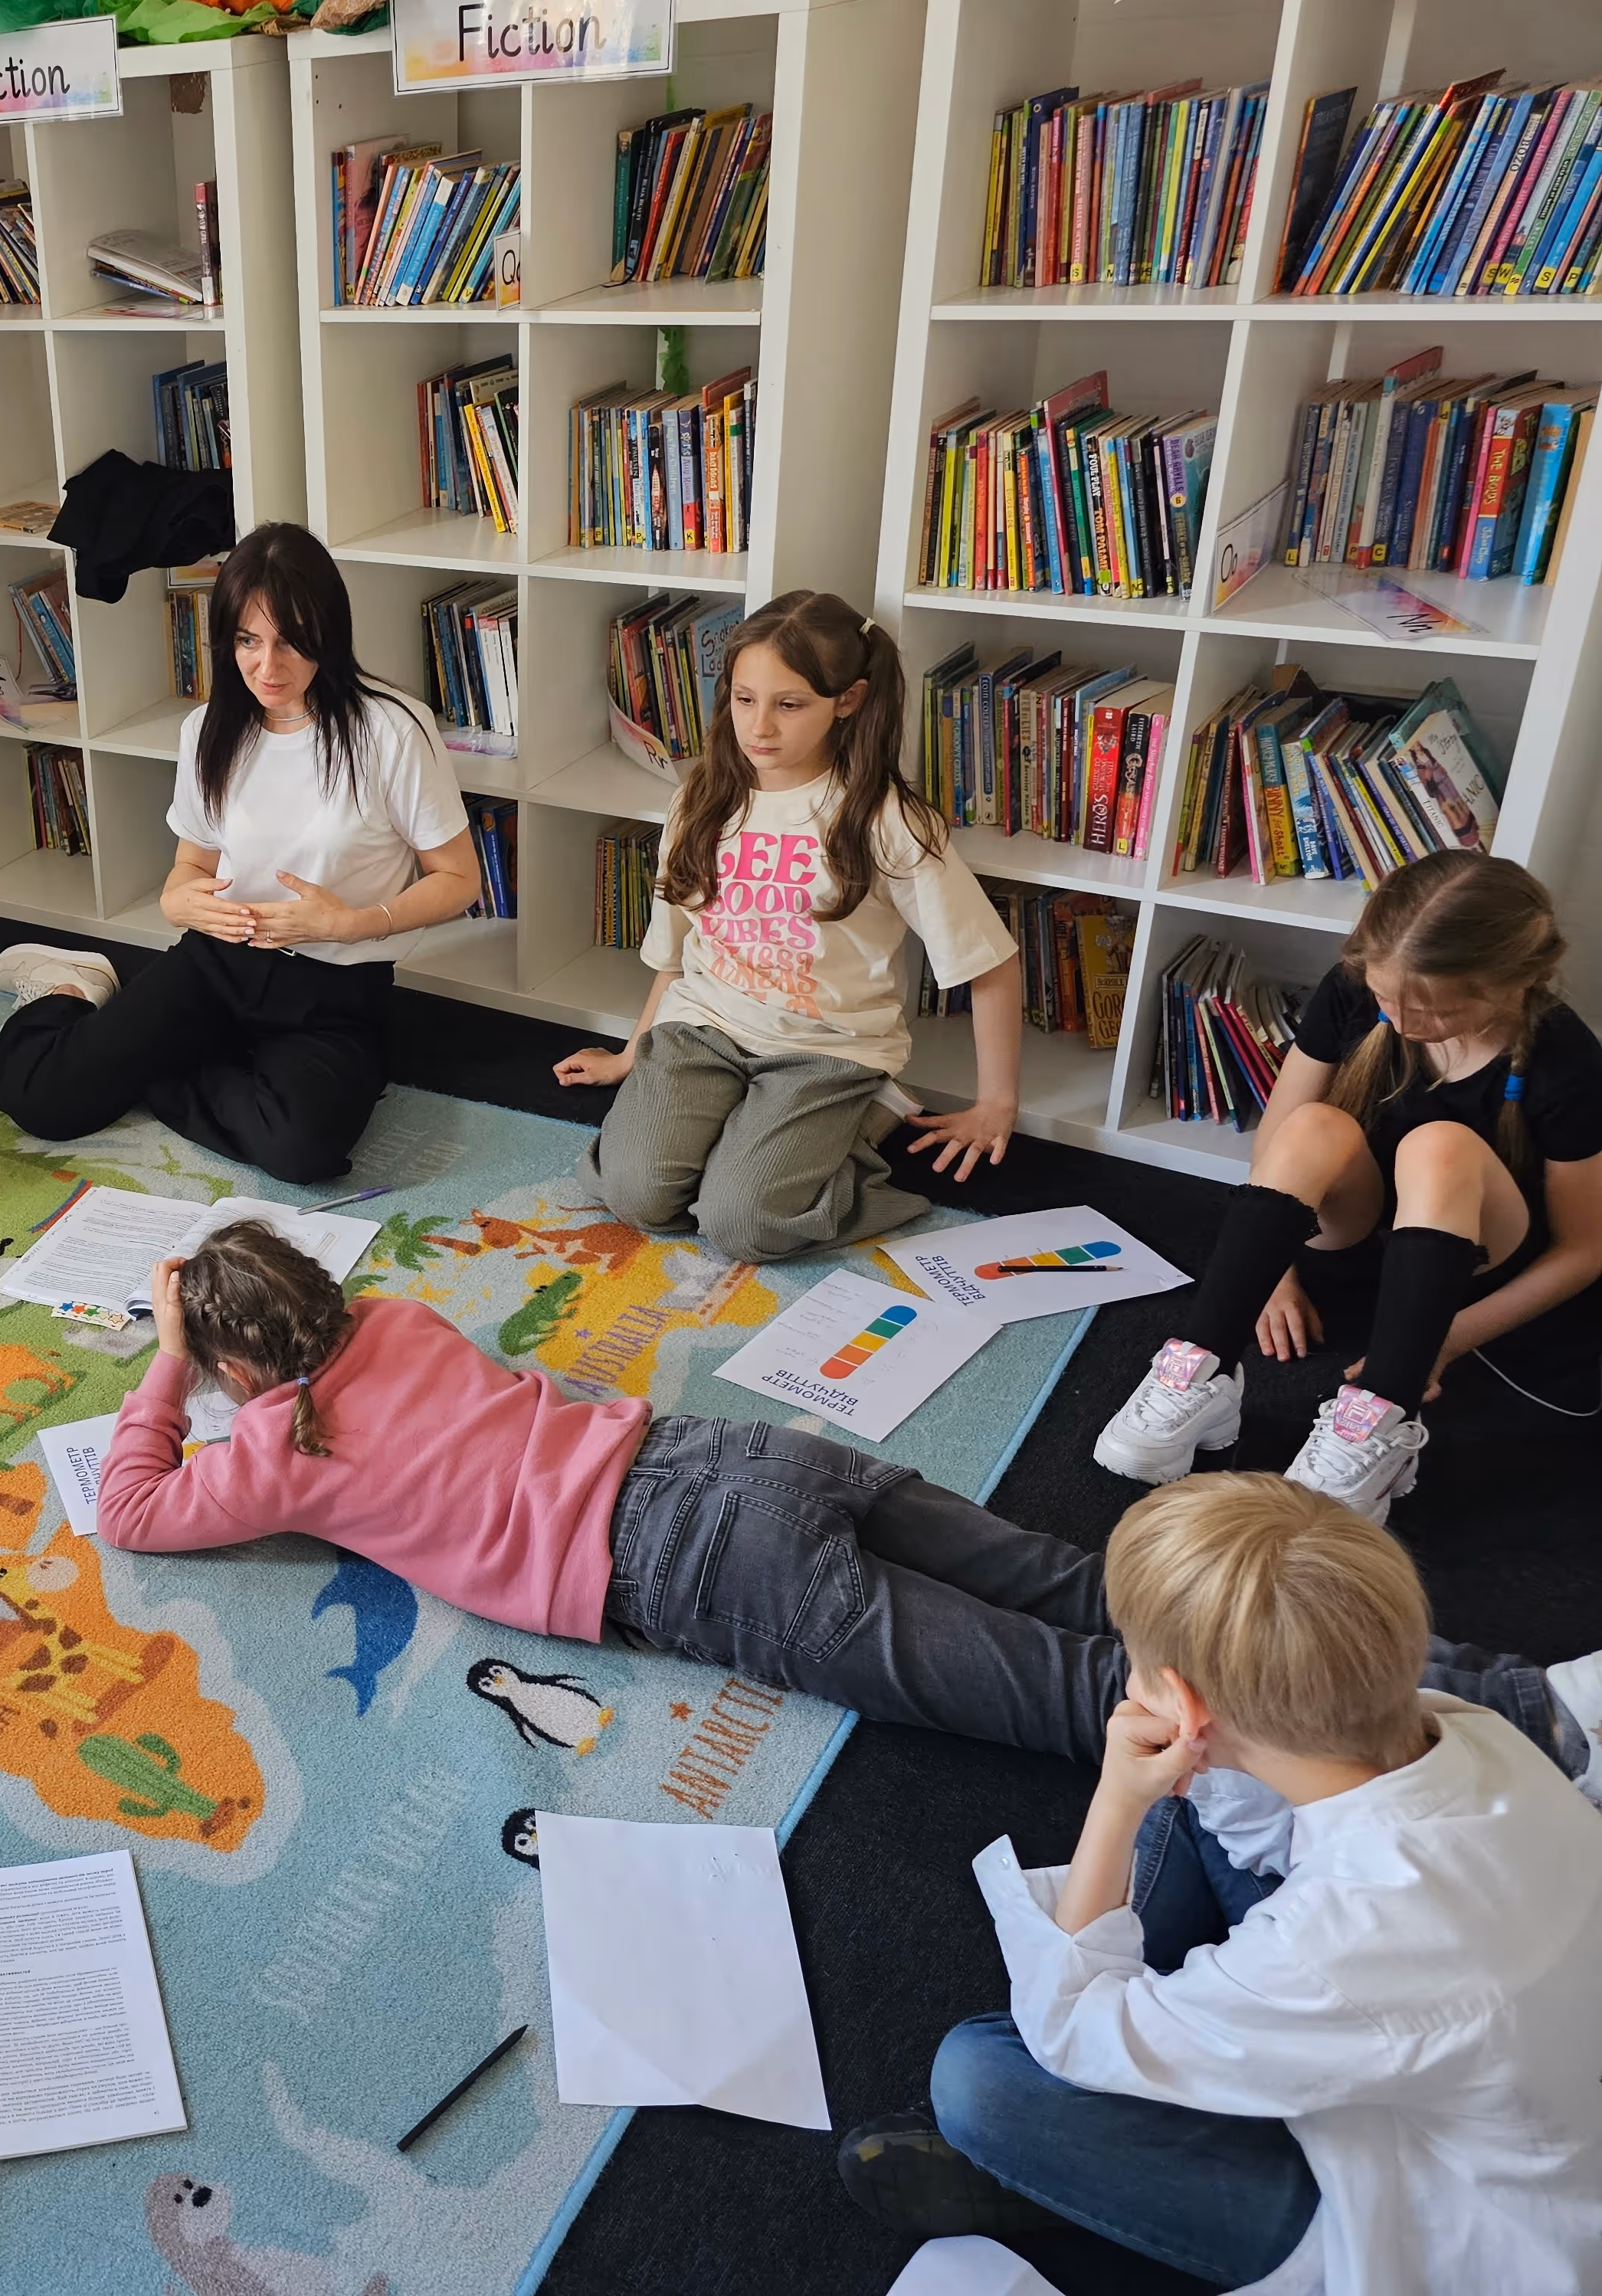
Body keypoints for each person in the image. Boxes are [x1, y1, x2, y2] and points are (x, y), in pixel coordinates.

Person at [93, 1221, 1598, 1780]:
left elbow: (133, 1508)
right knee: (1098, 1592)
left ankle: (1497, 1728)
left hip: (702, 1572)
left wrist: (166, 1367)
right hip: (742, 1458)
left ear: (235, 1360)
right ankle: (1500, 1680)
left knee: (1097, 1696)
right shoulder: (401, 1324)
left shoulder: (273, 1457)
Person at [837, 1475, 1602, 2292]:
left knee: (979, 2080)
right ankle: (1152, 2087)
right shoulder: (1461, 1725)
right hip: (1469, 2055)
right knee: (1199, 1809)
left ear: (1186, 1705)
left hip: (1431, 2216)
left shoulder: (1340, 1945)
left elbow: (1068, 2033)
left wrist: (1114, 1800)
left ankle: (1090, 2183)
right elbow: (1266, 1834)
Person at [1096, 848, 1602, 1520]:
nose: (1400, 1021)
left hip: (1469, 1265)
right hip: (1357, 1237)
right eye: (1387, 997)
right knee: (1311, 1123)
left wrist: (1447, 1339)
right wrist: (1275, 1279)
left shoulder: (1567, 1063)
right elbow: (1281, 1141)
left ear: (1514, 984)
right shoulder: (1357, 990)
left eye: (1433, 1012)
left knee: (1440, 1146)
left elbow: (1584, 1249)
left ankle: (1380, 1421)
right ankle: (1203, 1366)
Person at [0, 522, 480, 1185]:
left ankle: (163, 1065)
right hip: (218, 968)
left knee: (303, 1154)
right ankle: (70, 986)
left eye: (290, 641)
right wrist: (175, 899)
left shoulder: (393, 729)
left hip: (335, 994)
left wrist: (350, 923)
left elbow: (458, 879)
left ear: (327, 633)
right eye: (248, 641)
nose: (267, 668)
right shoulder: (209, 729)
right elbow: (191, 868)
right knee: (38, 1098)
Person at [558, 591, 1022, 1263]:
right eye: (744, 699)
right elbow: (678, 953)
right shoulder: (701, 798)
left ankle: (860, 1124)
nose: (760, 728)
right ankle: (746, 1139)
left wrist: (996, 1104)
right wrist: (633, 1055)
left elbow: (988, 960)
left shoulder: (889, 822)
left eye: (790, 704)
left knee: (742, 1224)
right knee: (636, 1195)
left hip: (828, 1052)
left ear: (850, 700)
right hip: (701, 1029)